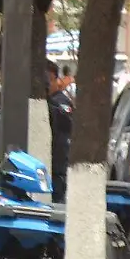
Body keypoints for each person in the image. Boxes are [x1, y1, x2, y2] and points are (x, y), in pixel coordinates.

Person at [46, 59, 75, 202]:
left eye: (49, 80)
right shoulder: (47, 101)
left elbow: (66, 123)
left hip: (58, 167)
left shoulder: (59, 102)